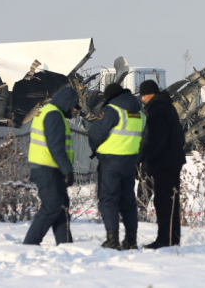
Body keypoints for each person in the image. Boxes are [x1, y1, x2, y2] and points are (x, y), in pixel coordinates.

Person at [88, 83, 145, 250]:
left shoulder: (113, 110)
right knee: (128, 202)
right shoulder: (140, 113)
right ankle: (131, 240)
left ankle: (112, 239)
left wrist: (95, 148)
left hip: (111, 162)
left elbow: (96, 133)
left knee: (108, 200)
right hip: (130, 162)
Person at [23, 87, 80, 246]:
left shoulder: (47, 112)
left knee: (61, 207)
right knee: (52, 207)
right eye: (72, 106)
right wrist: (67, 170)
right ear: (66, 102)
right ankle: (30, 244)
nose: (72, 110)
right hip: (48, 169)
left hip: (46, 168)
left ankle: (66, 244)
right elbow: (56, 147)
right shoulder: (54, 115)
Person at [137, 80, 186, 249]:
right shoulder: (168, 107)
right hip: (173, 161)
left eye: (143, 95)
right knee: (171, 201)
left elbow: (155, 141)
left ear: (150, 94)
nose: (142, 99)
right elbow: (180, 137)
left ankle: (164, 239)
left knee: (163, 202)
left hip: (164, 163)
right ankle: (173, 238)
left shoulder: (157, 110)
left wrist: (148, 164)